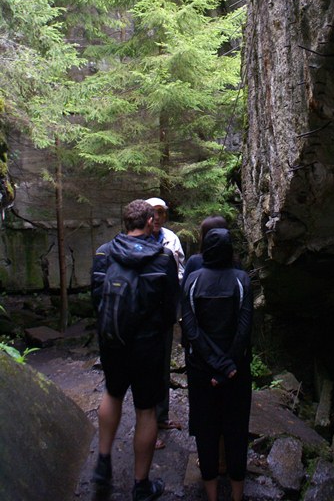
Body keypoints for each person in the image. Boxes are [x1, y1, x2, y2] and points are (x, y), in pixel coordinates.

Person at [91, 199, 180, 501]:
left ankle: (103, 463)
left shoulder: (104, 253)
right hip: (147, 345)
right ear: (150, 222)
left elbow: (96, 298)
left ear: (126, 222)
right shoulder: (163, 258)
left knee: (112, 393)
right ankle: (141, 485)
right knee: (145, 410)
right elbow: (170, 309)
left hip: (112, 340)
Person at [182, 225, 253, 501]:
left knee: (206, 431)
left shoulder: (193, 280)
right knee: (237, 431)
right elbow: (244, 329)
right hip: (236, 370)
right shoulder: (241, 280)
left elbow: (191, 330)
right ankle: (236, 496)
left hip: (202, 371)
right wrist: (227, 367)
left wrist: (213, 365)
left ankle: (211, 496)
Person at [145, 196, 185, 440]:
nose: (157, 217)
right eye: (153, 212)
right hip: (143, 313)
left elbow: (181, 270)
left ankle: (161, 416)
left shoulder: (171, 238)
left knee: (162, 365)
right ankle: (146, 424)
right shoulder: (136, 238)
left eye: (161, 213)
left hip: (165, 310)